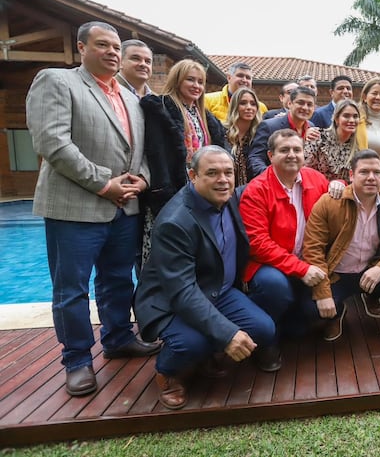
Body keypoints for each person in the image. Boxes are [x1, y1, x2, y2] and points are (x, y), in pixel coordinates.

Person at [26, 21, 160, 397]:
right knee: (71, 289)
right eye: (103, 45)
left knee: (118, 280)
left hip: (124, 208)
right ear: (81, 48)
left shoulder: (132, 97)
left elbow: (143, 151)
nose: (113, 52)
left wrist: (143, 180)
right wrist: (104, 183)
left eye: (117, 46)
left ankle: (118, 339)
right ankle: (78, 361)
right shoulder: (57, 81)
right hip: (76, 206)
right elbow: (52, 142)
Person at [134, 146, 277, 410]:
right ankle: (167, 372)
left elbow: (270, 182)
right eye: (212, 173)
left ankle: (207, 352)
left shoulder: (229, 196)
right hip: (171, 301)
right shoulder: (175, 223)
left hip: (217, 290)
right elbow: (182, 292)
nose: (222, 179)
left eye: (227, 172)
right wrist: (227, 333)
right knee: (192, 343)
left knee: (264, 329)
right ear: (192, 176)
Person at [301, 150, 380, 352]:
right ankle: (337, 313)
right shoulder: (329, 203)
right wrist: (323, 293)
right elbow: (313, 249)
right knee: (309, 310)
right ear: (351, 175)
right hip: (338, 275)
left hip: (371, 271)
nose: (371, 177)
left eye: (376, 172)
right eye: (364, 172)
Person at [239, 130, 333, 367]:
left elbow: (337, 190)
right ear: (270, 155)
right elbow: (258, 244)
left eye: (297, 150)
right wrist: (301, 269)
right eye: (284, 150)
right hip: (268, 265)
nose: (292, 155)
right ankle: (265, 340)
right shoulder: (256, 190)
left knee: (311, 316)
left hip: (305, 261)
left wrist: (340, 184)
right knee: (276, 288)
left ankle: (285, 324)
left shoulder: (315, 179)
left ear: (304, 154)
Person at [140, 59, 226, 263]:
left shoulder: (204, 116)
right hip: (172, 191)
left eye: (200, 81)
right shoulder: (161, 108)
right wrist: (161, 192)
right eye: (190, 80)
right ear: (177, 80)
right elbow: (156, 153)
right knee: (165, 249)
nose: (196, 86)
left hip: (200, 191)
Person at [248, 86, 319, 177]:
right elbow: (255, 158)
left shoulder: (312, 127)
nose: (305, 108)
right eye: (300, 103)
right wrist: (271, 177)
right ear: (289, 104)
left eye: (309, 104)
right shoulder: (269, 126)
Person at [305, 99, 361, 181]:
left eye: (355, 116)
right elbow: (304, 170)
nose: (352, 120)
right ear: (336, 119)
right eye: (346, 116)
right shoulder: (318, 136)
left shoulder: (356, 149)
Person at [223, 87, 262, 186]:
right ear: (235, 106)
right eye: (243, 103)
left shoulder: (260, 135)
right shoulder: (222, 132)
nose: (249, 107)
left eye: (253, 104)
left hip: (254, 190)